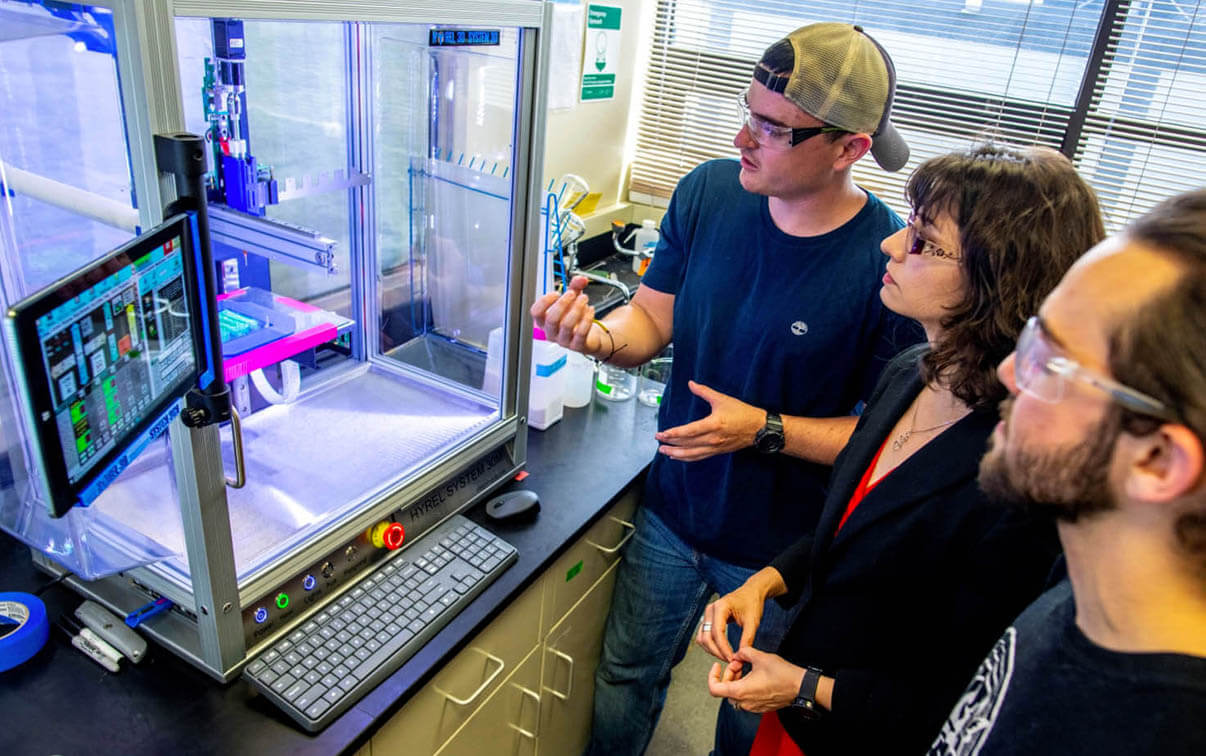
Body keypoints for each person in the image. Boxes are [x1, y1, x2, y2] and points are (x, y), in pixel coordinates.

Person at [532, 22, 921, 756]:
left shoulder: (888, 265)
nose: (744, 138)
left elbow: (885, 438)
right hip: (672, 514)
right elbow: (650, 320)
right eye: (747, 113)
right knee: (626, 677)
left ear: (850, 148)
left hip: (779, 556)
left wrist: (763, 428)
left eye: (773, 130)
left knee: (746, 718)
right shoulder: (708, 192)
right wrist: (596, 339)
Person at [697, 144, 1104, 755]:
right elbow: (853, 521)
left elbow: (961, 691)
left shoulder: (1019, 471)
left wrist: (806, 687)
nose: (890, 246)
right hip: (797, 687)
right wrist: (770, 579)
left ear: (998, 279)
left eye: (922, 241)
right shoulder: (912, 369)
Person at [929, 189, 1206, 755]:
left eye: (1048, 361)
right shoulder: (1088, 583)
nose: (1010, 371)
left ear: (1158, 462)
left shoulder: (1146, 732)